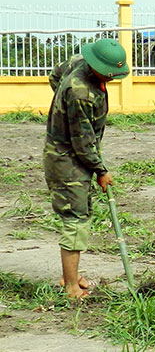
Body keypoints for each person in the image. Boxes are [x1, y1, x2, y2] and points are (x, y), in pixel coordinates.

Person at [43, 38, 130, 300]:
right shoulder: (80, 92)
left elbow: (54, 76)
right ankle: (70, 286)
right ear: (97, 67)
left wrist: (62, 106)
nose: (113, 78)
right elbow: (82, 141)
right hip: (67, 160)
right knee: (75, 220)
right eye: (110, 73)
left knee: (80, 213)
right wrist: (101, 171)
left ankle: (69, 275)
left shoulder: (76, 63)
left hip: (74, 156)